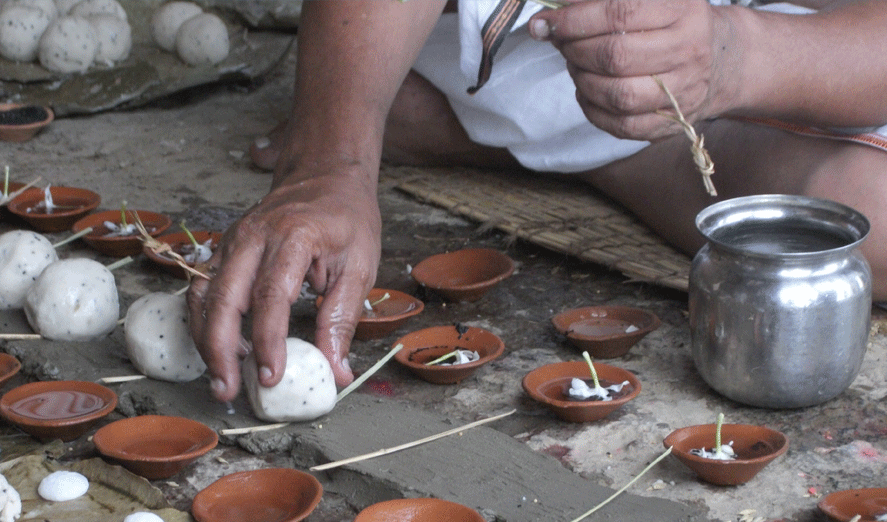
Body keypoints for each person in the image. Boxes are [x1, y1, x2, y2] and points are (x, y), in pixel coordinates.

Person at [187, 0, 887, 405]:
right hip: (537, 36)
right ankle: (570, 123)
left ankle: (520, 135)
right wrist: (328, 165)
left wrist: (734, 56)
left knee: (863, 227)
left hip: (801, 32)